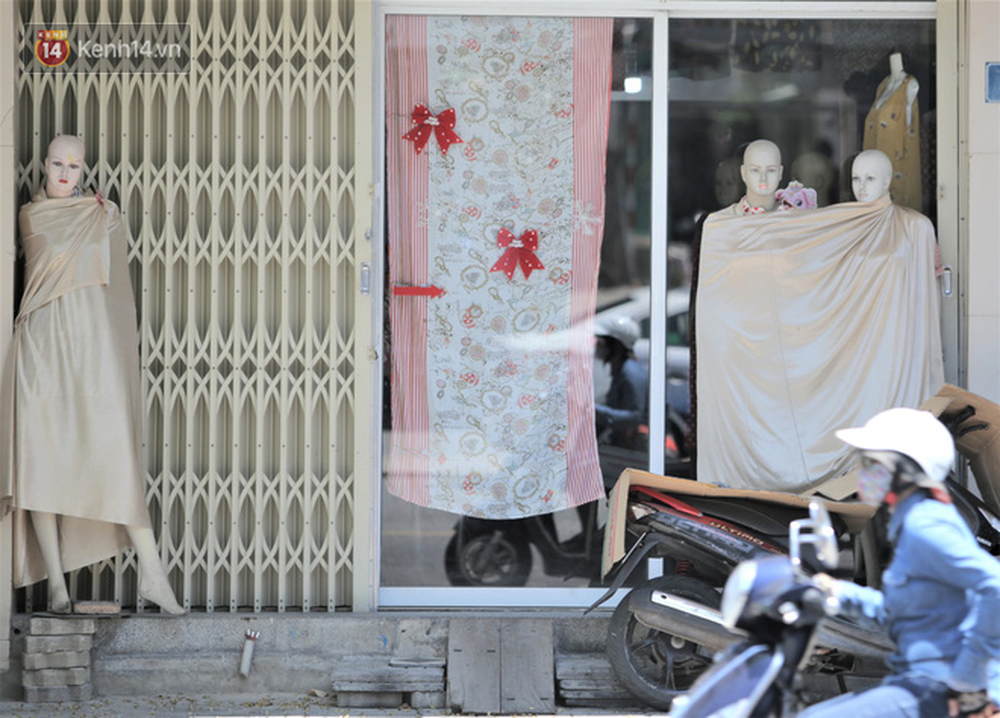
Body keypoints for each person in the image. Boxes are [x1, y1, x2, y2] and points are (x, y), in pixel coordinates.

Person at [2, 135, 183, 614]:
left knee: (114, 454)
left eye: (74, 166)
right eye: (57, 164)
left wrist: (108, 216)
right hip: (41, 349)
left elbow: (112, 285)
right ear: (44, 165)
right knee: (39, 462)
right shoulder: (31, 216)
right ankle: (57, 587)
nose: (65, 173)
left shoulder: (100, 214)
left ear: (84, 170)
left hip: (90, 350)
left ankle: (153, 572)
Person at [801, 408, 1000, 718]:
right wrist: (836, 594)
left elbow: (995, 586)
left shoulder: (924, 524)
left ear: (903, 471)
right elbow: (901, 615)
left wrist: (969, 680)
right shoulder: (911, 522)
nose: (863, 473)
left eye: (872, 463)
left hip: (944, 688)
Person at [594, 316, 648, 449]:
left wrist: (594, 409)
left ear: (616, 345)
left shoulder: (630, 373)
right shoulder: (619, 367)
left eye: (602, 342)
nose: (597, 346)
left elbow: (636, 417)